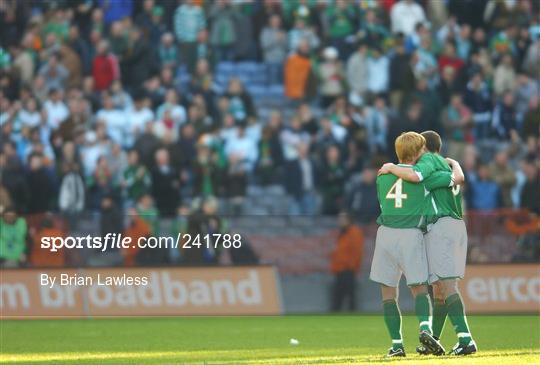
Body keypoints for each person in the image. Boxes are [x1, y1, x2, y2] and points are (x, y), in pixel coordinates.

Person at [379, 131, 477, 356]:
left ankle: (465, 339)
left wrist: (393, 168)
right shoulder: (446, 165)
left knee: (447, 287)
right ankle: (434, 339)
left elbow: (415, 179)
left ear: (423, 148)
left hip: (439, 227)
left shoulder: (427, 165)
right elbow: (459, 178)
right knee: (440, 289)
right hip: (457, 224)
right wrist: (456, 163)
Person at [330, 211, 364, 311]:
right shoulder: (342, 233)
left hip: (348, 269)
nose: (340, 221)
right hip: (340, 269)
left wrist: (352, 267)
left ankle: (352, 317)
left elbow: (356, 251)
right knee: (338, 297)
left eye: (342, 219)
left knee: (349, 297)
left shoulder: (354, 232)